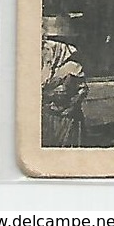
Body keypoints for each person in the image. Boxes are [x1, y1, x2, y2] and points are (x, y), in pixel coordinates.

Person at [41, 16, 89, 147]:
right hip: (47, 119)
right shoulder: (45, 66)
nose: (46, 47)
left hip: (66, 121)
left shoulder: (72, 67)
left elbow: (77, 93)